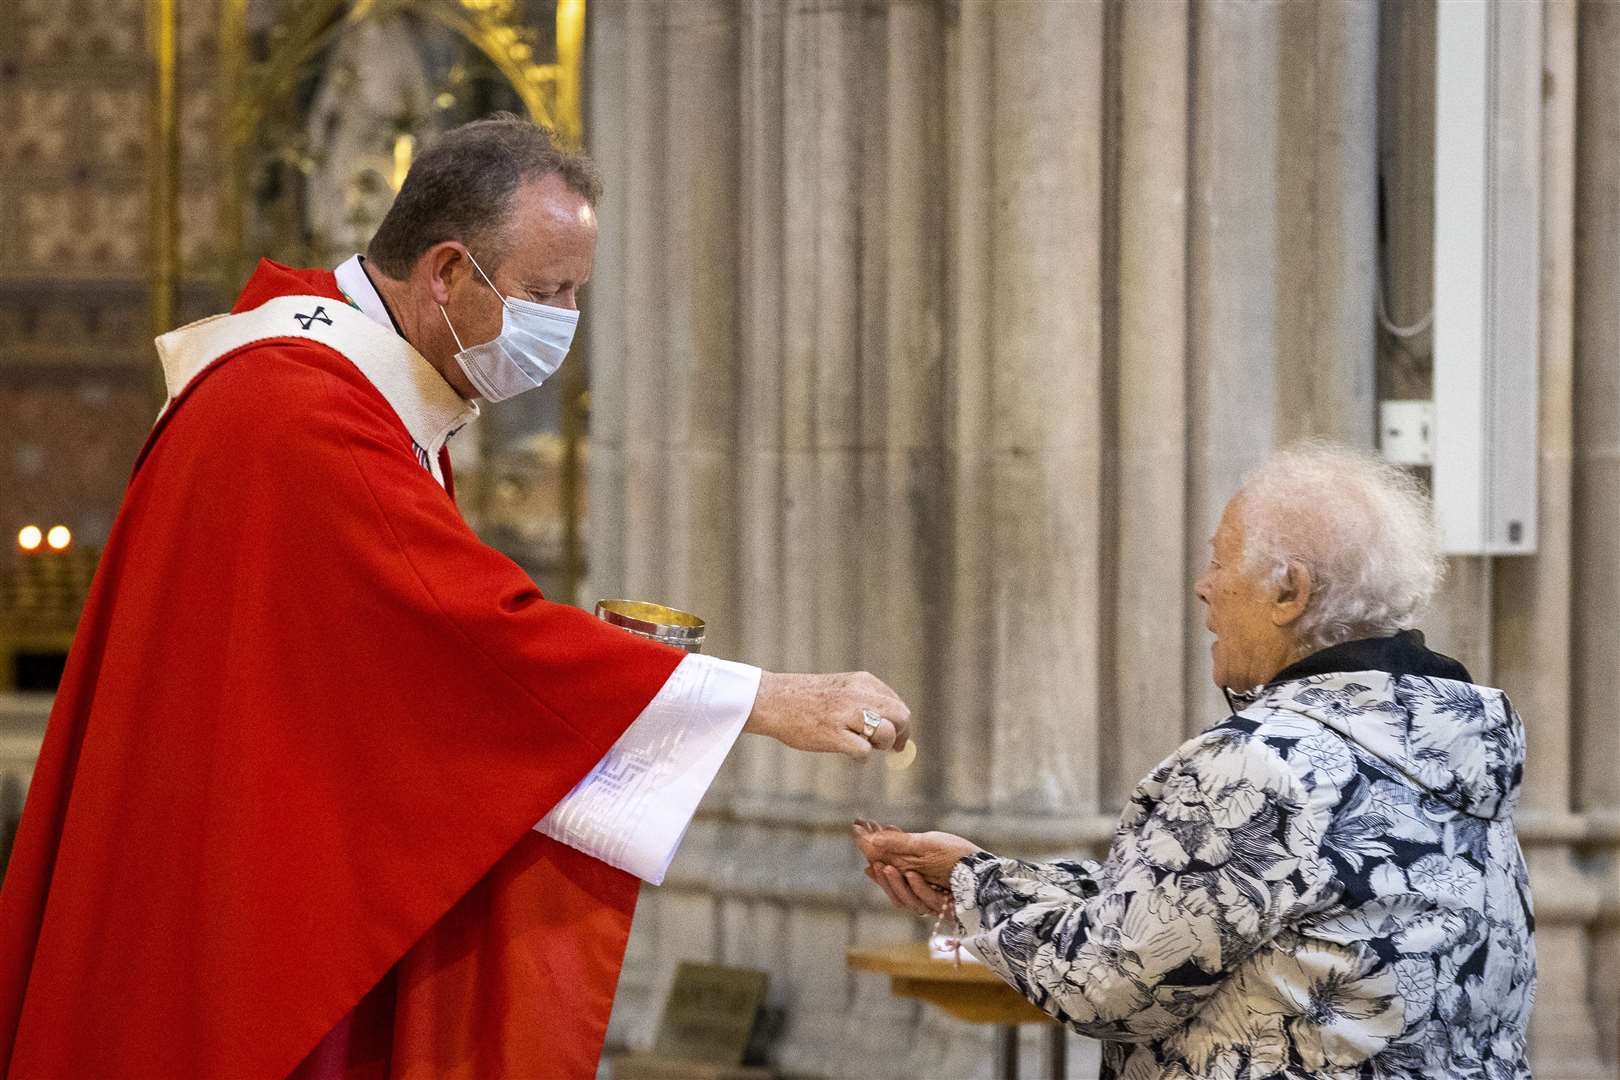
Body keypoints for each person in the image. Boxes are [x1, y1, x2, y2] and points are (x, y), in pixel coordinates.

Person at [0, 115, 911, 1080]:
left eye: (575, 292)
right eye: (547, 291)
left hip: (243, 851)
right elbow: (468, 634)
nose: (563, 320)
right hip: (236, 898)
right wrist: (764, 698)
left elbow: (393, 660)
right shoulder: (303, 410)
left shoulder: (333, 382)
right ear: (446, 273)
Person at [855, 443, 1534, 1080]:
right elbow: (1217, 905)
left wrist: (977, 889)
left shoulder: (1261, 764)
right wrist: (990, 877)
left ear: (1288, 593)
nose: (1203, 586)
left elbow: (1105, 982)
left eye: (1220, 561)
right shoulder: (1457, 747)